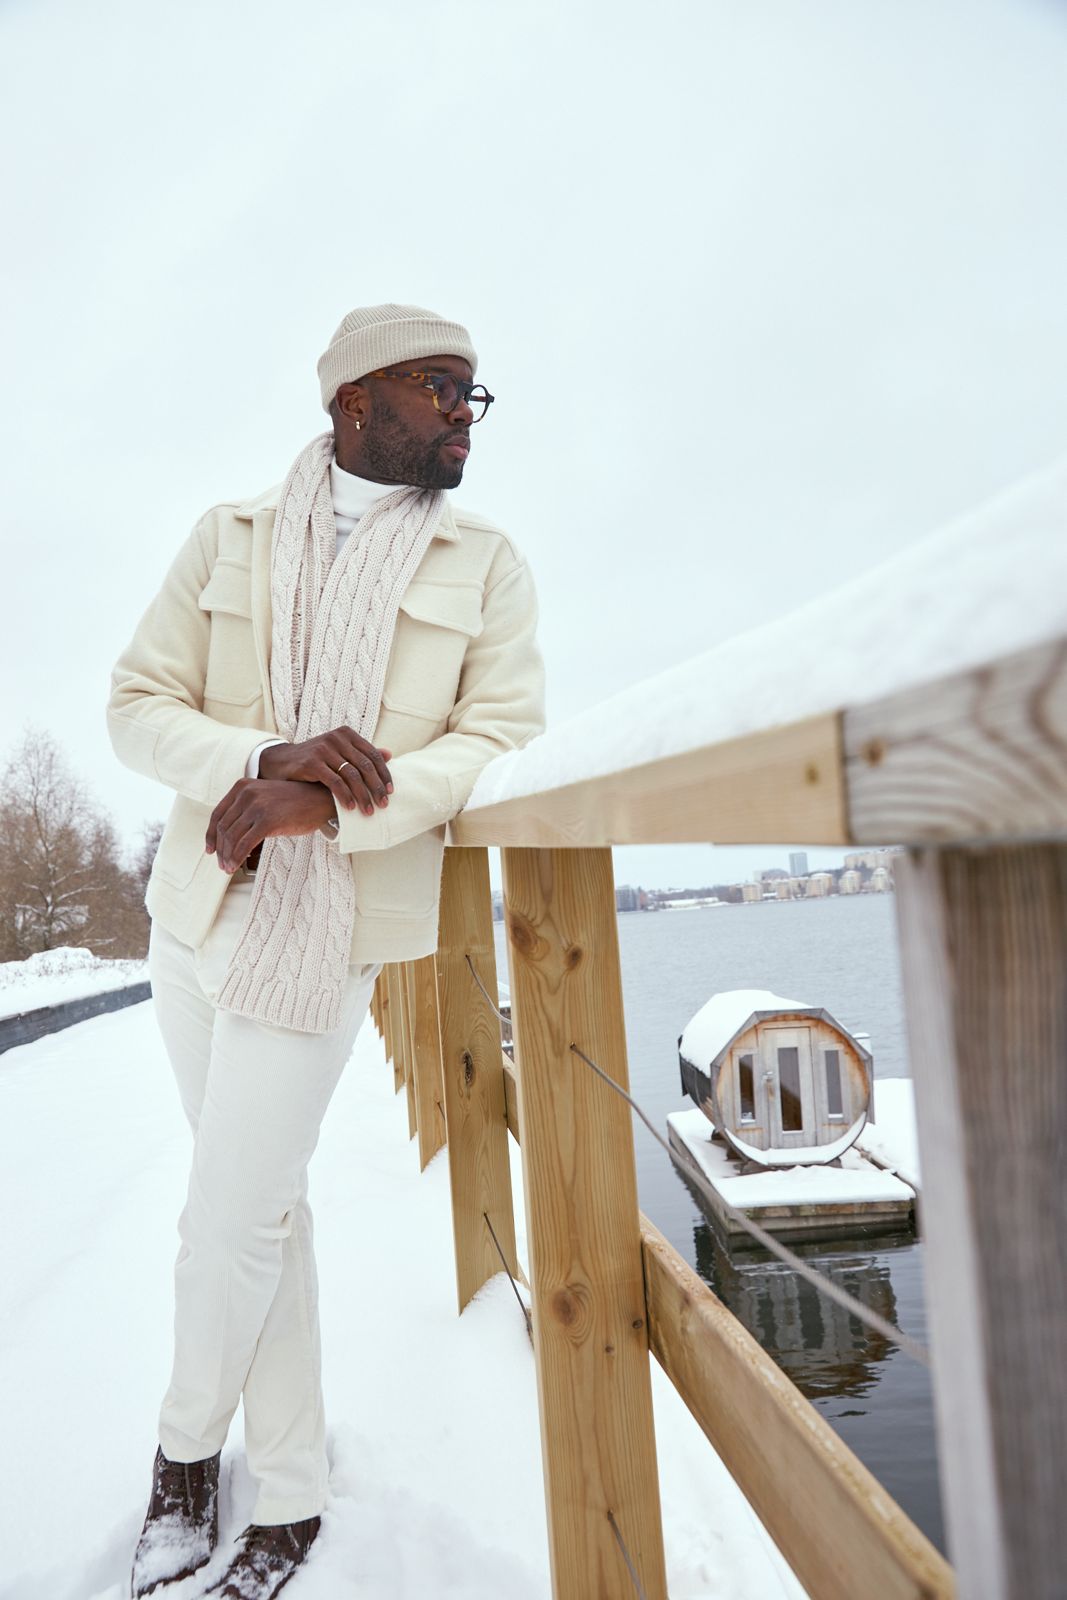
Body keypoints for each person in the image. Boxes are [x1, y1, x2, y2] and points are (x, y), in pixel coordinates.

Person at [108, 304, 545, 1598]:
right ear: (355, 400)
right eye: (441, 387)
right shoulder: (226, 539)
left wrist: (345, 794)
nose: (468, 411)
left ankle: (183, 1458)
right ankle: (289, 1489)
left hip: (336, 919)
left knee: (227, 1216)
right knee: (262, 1212)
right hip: (197, 910)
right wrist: (257, 760)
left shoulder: (486, 563)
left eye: (476, 393)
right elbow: (137, 707)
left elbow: (502, 740)